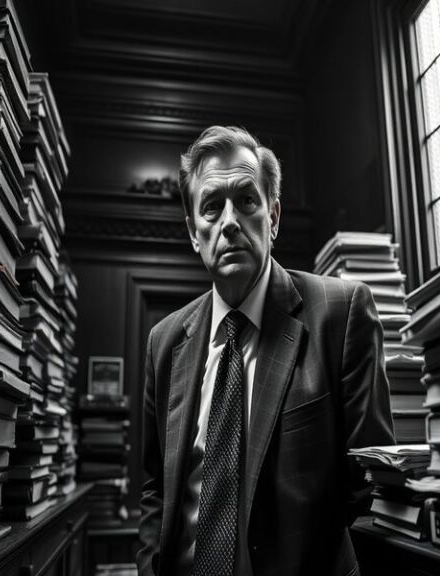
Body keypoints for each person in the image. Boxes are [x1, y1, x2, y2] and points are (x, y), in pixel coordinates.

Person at [137, 125, 395, 576]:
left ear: (273, 217)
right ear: (193, 234)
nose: (230, 221)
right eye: (212, 207)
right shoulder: (165, 341)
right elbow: (157, 488)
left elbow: (367, 483)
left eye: (247, 200)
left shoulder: (341, 313)